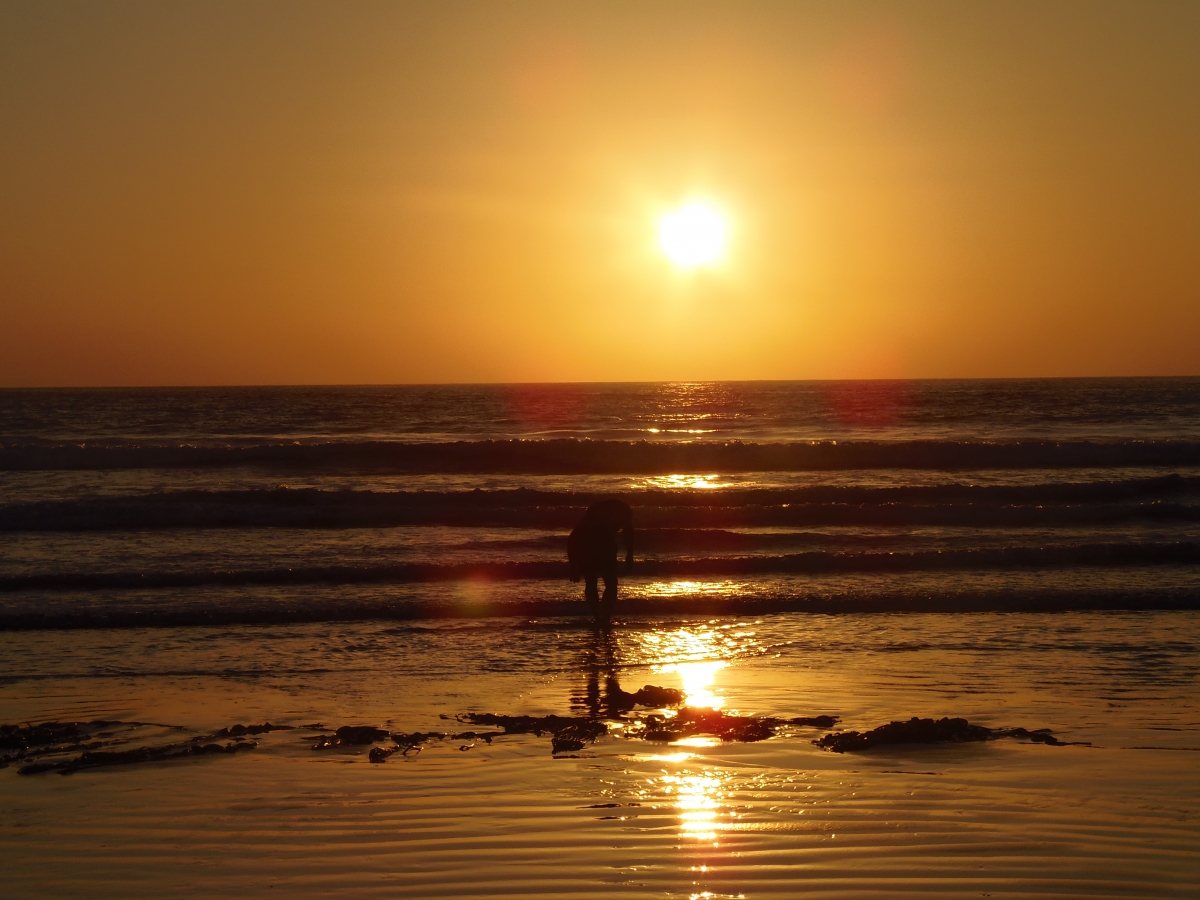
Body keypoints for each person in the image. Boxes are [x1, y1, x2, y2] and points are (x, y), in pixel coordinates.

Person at [567, 498, 633, 627]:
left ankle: (601, 618)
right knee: (606, 583)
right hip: (590, 547)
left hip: (595, 548)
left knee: (598, 583)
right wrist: (573, 564)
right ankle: (602, 618)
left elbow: (573, 538)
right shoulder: (617, 512)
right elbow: (574, 538)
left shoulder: (601, 512)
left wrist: (573, 564)